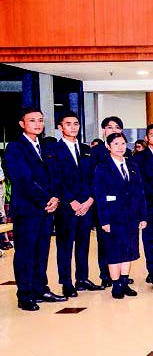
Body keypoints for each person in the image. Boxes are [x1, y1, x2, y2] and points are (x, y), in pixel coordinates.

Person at [5, 107, 65, 311]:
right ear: (22, 124)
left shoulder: (46, 147)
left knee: (42, 251)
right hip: (27, 210)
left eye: (40, 120)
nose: (37, 124)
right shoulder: (15, 148)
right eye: (32, 120)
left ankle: (41, 289)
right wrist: (46, 199)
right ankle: (25, 294)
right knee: (25, 252)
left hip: (47, 209)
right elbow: (23, 180)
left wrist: (56, 197)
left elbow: (56, 175)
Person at [47, 111, 102, 298]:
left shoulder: (87, 150)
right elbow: (56, 179)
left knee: (84, 243)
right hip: (66, 206)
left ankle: (82, 278)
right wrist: (71, 201)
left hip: (86, 205)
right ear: (60, 127)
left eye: (76, 123)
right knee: (65, 246)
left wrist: (89, 200)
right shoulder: (54, 150)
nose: (73, 127)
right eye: (68, 124)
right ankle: (66, 282)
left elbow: (94, 177)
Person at [93, 132, 148, 299]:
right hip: (113, 216)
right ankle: (116, 284)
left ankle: (124, 282)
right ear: (108, 146)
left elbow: (140, 192)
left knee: (129, 249)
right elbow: (100, 195)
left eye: (123, 143)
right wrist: (104, 220)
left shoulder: (132, 165)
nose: (120, 147)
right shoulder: (102, 168)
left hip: (131, 215)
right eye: (116, 144)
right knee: (114, 251)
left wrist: (143, 216)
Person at [90, 116, 129, 287]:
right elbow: (94, 181)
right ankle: (106, 274)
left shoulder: (126, 152)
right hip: (105, 206)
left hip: (124, 208)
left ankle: (122, 275)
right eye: (109, 127)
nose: (113, 130)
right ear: (103, 130)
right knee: (105, 242)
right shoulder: (96, 152)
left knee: (124, 241)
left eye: (117, 127)